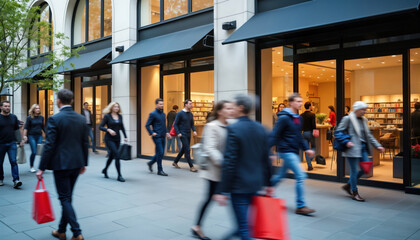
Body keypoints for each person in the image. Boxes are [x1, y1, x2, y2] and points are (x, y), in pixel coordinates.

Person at [213, 94, 273, 240]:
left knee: (245, 228)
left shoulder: (234, 130)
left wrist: (222, 190)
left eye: (233, 106)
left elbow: (230, 162)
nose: (231, 108)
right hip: (256, 183)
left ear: (241, 108)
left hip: (239, 186)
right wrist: (269, 183)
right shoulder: (261, 128)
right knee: (244, 224)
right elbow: (267, 159)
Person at [36, 89, 88, 240]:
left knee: (64, 199)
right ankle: (61, 231)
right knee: (68, 198)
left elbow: (49, 145)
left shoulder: (55, 119)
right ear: (71, 101)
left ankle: (77, 233)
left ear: (59, 101)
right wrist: (84, 163)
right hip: (77, 163)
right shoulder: (80, 118)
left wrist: (41, 168)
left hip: (61, 164)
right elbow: (85, 142)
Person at [191, 100, 234, 240]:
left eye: (231, 108)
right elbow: (210, 148)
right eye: (227, 108)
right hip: (214, 171)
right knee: (210, 198)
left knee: (223, 198)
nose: (231, 110)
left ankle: (241, 228)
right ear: (220, 111)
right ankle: (197, 226)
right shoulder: (212, 126)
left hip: (226, 171)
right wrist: (225, 163)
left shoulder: (231, 125)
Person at [269, 93, 316, 215]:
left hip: (294, 150)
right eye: (298, 101)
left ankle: (267, 188)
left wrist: (306, 149)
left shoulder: (299, 118)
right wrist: (269, 151)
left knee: (280, 175)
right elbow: (275, 134)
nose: (300, 103)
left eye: (301, 101)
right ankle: (300, 206)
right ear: (291, 103)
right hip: (286, 151)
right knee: (300, 176)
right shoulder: (284, 118)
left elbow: (299, 136)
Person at [337, 101, 385, 201]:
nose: (365, 111)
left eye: (365, 109)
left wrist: (378, 146)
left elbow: (368, 135)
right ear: (357, 109)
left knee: (366, 168)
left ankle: (348, 185)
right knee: (354, 171)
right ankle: (355, 192)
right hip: (352, 148)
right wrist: (346, 142)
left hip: (362, 148)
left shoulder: (364, 120)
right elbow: (338, 132)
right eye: (363, 109)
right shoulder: (348, 119)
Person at [100, 102, 128, 182]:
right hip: (109, 139)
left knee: (112, 156)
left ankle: (105, 170)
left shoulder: (120, 116)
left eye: (118, 107)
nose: (116, 108)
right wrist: (108, 130)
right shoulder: (107, 116)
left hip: (117, 139)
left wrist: (125, 136)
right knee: (117, 155)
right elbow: (101, 127)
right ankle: (119, 175)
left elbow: (122, 127)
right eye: (115, 107)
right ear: (111, 108)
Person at [0, 100, 23, 188]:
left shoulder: (13, 117)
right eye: (5, 106)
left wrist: (20, 140)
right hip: (1, 144)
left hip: (11, 143)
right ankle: (0, 178)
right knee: (0, 163)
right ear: (1, 107)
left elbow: (16, 129)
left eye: (8, 106)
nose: (7, 108)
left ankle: (16, 180)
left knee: (13, 161)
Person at [146, 98, 171, 176]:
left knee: (160, 153)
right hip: (156, 136)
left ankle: (150, 163)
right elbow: (147, 125)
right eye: (160, 104)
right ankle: (160, 170)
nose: (162, 105)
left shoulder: (164, 114)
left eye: (162, 104)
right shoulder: (152, 114)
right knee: (160, 152)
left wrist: (167, 133)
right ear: (156, 105)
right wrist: (152, 133)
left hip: (163, 136)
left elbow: (164, 125)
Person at [172, 99, 198, 172]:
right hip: (182, 134)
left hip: (188, 133)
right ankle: (191, 166)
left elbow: (192, 124)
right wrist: (178, 133)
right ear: (186, 105)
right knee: (187, 149)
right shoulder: (180, 113)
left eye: (191, 103)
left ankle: (175, 162)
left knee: (184, 148)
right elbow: (175, 125)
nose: (191, 105)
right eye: (190, 104)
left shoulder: (190, 114)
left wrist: (194, 131)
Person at [23, 104, 45, 173]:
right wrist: (24, 136)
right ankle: (31, 167)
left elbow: (43, 127)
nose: (38, 109)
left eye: (38, 108)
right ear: (33, 110)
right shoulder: (29, 118)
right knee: (34, 152)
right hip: (31, 136)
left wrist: (48, 134)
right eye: (36, 108)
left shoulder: (41, 117)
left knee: (40, 152)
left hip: (39, 136)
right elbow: (26, 127)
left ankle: (41, 167)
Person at [300, 102, 316, 171]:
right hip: (310, 133)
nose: (312, 107)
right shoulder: (312, 115)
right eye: (311, 106)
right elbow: (313, 125)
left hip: (304, 133)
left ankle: (309, 165)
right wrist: (315, 132)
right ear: (309, 107)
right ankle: (311, 157)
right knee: (313, 146)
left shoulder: (301, 115)